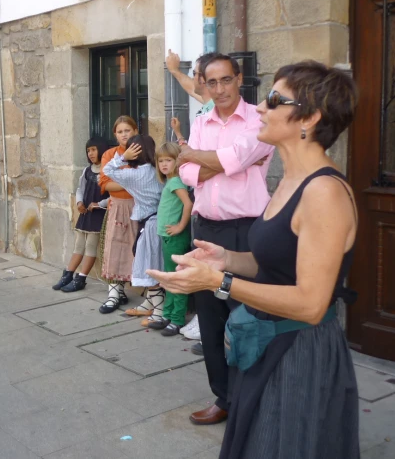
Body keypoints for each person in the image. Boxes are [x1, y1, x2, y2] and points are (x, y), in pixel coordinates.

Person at [149, 61, 360, 458]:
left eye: (276, 100)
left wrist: (218, 283)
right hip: (267, 346)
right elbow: (272, 266)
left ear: (310, 118)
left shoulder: (324, 193)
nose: (261, 108)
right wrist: (225, 258)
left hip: (299, 355)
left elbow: (312, 305)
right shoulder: (292, 182)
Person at [177, 53, 275, 426]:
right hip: (206, 229)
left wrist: (200, 157)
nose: (219, 89)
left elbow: (235, 157)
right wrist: (215, 161)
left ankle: (254, 397)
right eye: (211, 82)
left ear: (239, 78)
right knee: (211, 318)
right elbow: (186, 171)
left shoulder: (257, 120)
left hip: (246, 231)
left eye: (225, 80)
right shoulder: (201, 119)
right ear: (203, 83)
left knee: (247, 317)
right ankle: (225, 398)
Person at [103, 134, 164, 316]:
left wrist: (123, 157)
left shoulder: (135, 174)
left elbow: (108, 171)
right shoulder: (158, 170)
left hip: (148, 224)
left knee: (150, 265)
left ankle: (158, 312)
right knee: (155, 263)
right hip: (160, 220)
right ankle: (149, 305)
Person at [143, 142, 193, 336]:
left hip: (175, 238)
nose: (164, 164)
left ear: (178, 161)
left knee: (177, 278)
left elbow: (188, 203)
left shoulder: (176, 182)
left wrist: (180, 226)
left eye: (169, 160)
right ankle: (168, 314)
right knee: (170, 277)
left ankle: (178, 318)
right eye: (161, 161)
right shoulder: (170, 181)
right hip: (167, 238)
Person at [53, 137, 110, 293]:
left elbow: (114, 195)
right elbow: (80, 189)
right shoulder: (87, 170)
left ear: (102, 149)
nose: (90, 153)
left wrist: (100, 204)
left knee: (91, 246)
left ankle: (81, 277)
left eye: (93, 150)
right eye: (88, 151)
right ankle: (68, 274)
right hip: (85, 213)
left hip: (99, 214)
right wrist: (79, 203)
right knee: (78, 245)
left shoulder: (108, 170)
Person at [97, 116, 138, 314]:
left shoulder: (143, 153)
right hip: (117, 205)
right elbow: (105, 183)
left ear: (135, 131)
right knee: (114, 247)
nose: (124, 134)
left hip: (139, 206)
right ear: (115, 134)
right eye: (120, 131)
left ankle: (149, 294)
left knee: (136, 247)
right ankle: (114, 292)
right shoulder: (110, 154)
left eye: (127, 130)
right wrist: (132, 182)